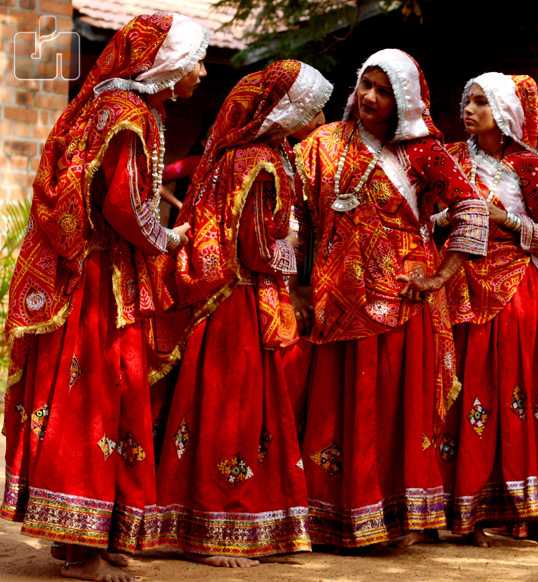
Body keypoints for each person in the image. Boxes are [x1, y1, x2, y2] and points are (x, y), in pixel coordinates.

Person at [2, 12, 207, 581]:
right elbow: (122, 204)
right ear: (165, 65)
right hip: (101, 282)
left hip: (97, 274)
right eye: (194, 60)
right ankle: (85, 547)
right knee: (94, 399)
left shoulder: (110, 106)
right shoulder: (129, 116)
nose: (201, 70)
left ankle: (91, 536)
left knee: (100, 398)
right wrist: (166, 238)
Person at [293, 49, 489, 549]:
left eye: (383, 91)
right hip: (335, 300)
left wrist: (439, 276)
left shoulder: (422, 153)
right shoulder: (322, 144)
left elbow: (472, 212)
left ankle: (387, 521)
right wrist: (295, 285)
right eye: (365, 86)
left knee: (387, 413)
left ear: (402, 100)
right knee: (335, 410)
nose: (370, 98)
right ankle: (328, 519)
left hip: (400, 304)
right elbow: (295, 217)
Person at [152, 60, 333, 566]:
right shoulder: (256, 158)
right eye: (314, 109)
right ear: (288, 108)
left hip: (240, 299)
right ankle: (216, 528)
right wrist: (292, 258)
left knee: (241, 408)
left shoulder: (264, 152)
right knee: (232, 409)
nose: (319, 119)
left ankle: (235, 521)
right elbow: (253, 247)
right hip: (236, 301)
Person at [440, 73, 538, 546]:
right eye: (466, 100)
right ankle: (459, 508)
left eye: (480, 102)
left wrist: (504, 219)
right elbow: (432, 213)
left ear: (504, 111)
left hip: (515, 291)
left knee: (510, 390)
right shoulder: (452, 159)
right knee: (461, 389)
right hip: (459, 284)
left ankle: (513, 508)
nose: (468, 110)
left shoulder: (529, 166)